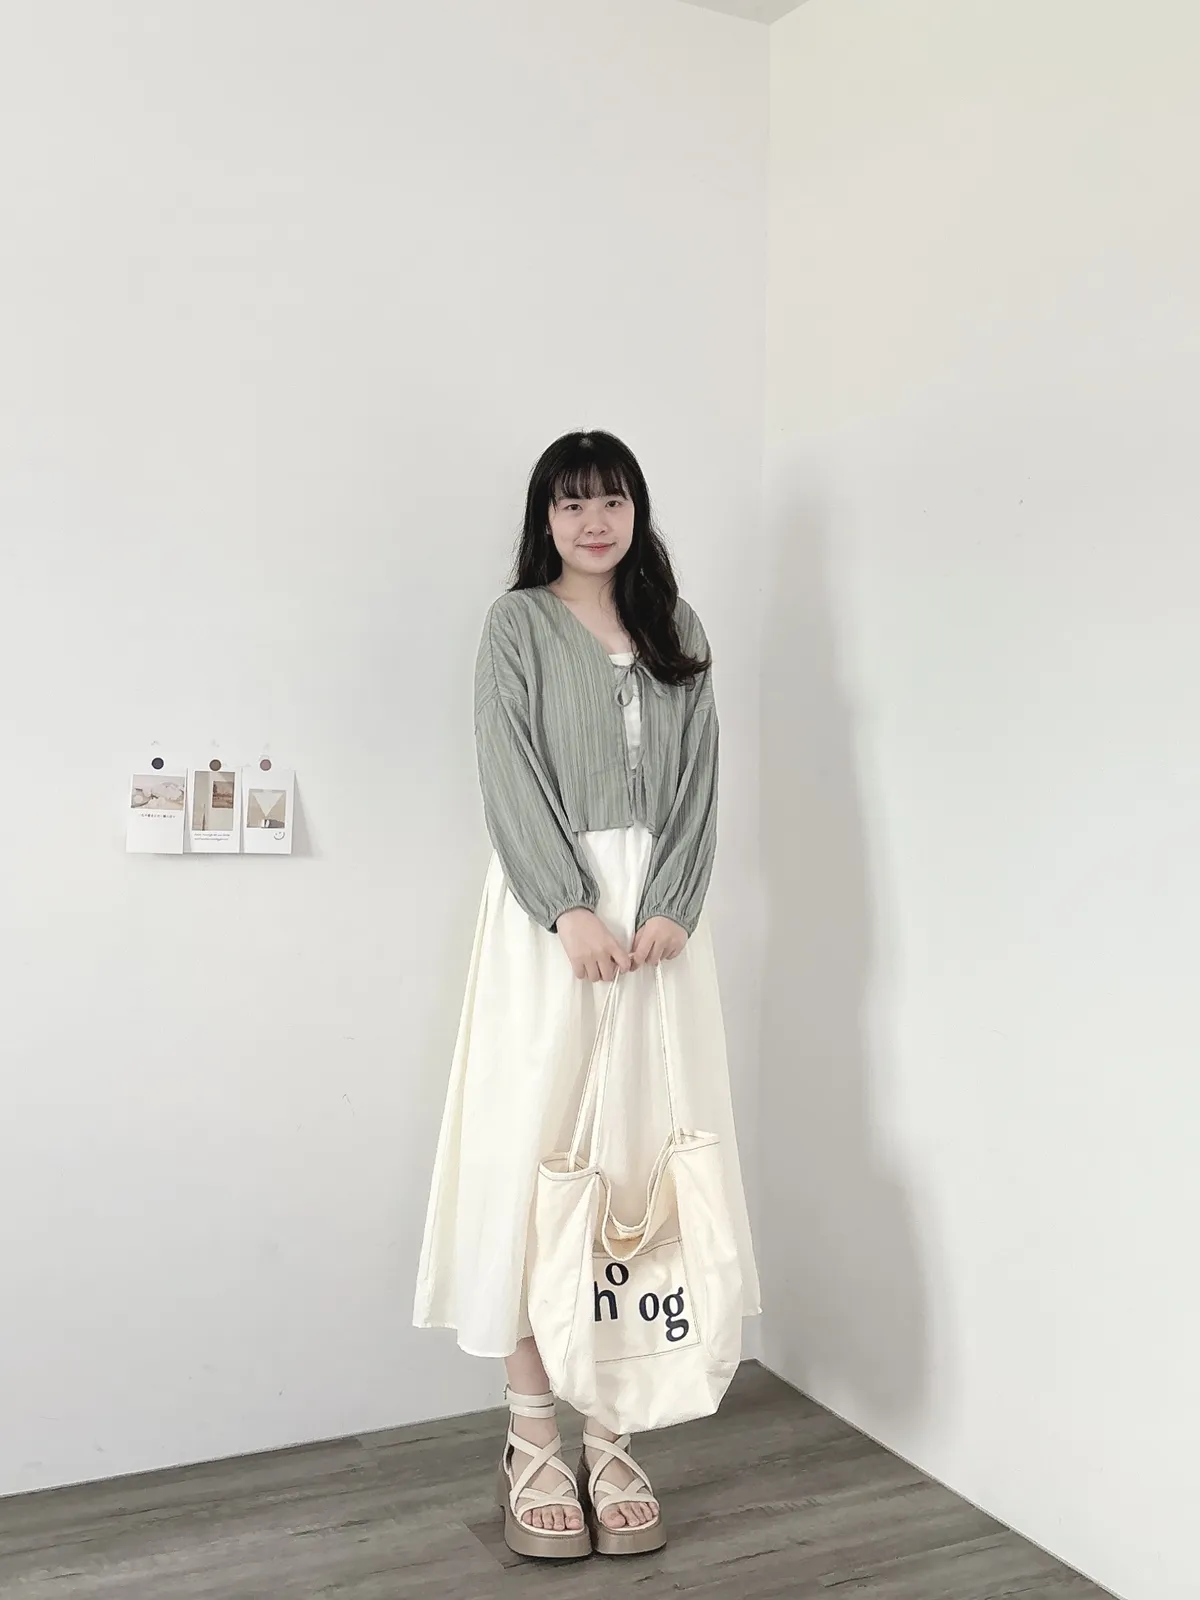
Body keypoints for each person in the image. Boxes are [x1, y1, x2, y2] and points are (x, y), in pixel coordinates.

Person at [414, 430, 759, 1560]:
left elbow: (701, 781)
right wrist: (566, 907)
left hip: (659, 936)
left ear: (636, 511)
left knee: (639, 1162)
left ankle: (613, 1430)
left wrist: (675, 905)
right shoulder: (515, 625)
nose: (593, 521)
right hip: (547, 927)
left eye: (611, 500)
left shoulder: (676, 628)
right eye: (571, 504)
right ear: (545, 519)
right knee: (536, 1156)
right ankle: (530, 1431)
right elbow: (506, 768)